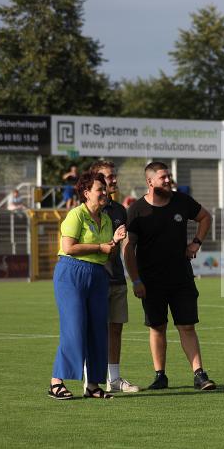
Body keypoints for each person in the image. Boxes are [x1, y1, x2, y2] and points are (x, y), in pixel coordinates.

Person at [124, 162, 216, 391]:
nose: (168, 180)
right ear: (150, 181)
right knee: (157, 327)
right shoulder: (136, 210)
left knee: (187, 326)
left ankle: (199, 375)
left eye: (169, 177)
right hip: (150, 281)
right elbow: (128, 249)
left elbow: (206, 217)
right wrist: (136, 280)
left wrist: (196, 243)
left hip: (181, 278)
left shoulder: (182, 201)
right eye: (163, 177)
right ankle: (160, 376)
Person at [48, 172, 126, 400]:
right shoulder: (76, 215)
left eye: (105, 189)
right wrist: (101, 247)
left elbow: (106, 251)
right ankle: (56, 382)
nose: (105, 192)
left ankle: (92, 385)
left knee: (97, 330)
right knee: (74, 328)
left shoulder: (107, 219)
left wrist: (114, 242)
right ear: (86, 193)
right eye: (99, 189)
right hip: (72, 272)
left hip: (98, 274)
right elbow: (69, 246)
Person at [89, 160, 139, 394]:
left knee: (116, 328)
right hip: (95, 278)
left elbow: (126, 247)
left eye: (114, 175)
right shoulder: (86, 211)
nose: (114, 180)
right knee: (94, 329)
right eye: (109, 177)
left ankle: (115, 379)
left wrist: (134, 278)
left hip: (117, 278)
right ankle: (92, 379)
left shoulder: (119, 210)